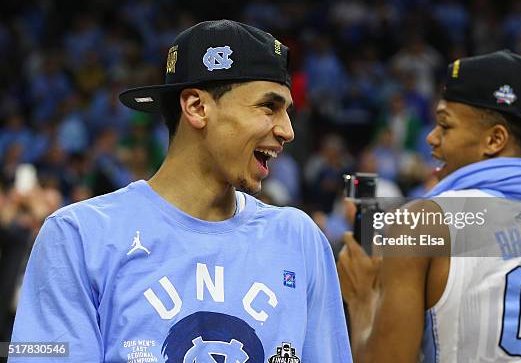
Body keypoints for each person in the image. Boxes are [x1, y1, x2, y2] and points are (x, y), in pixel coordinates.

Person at [11, 20, 351, 362]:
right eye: (269, 106)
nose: (287, 131)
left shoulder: (300, 239)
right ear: (197, 107)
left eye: (287, 111)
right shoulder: (77, 236)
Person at [338, 50, 521, 362]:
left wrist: (362, 300)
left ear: (495, 140)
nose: (431, 137)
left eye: (445, 125)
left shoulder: (423, 223)